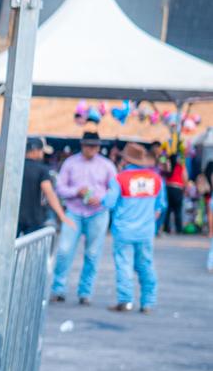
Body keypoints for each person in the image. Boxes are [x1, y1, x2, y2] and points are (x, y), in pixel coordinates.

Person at [51, 130, 117, 304]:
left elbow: (115, 190)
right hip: (74, 211)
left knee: (93, 254)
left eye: (95, 146)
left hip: (98, 213)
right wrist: (76, 191)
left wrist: (101, 199)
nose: (91, 149)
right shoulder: (70, 163)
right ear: (82, 145)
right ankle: (58, 289)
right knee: (64, 251)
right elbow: (60, 188)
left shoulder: (107, 165)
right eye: (88, 146)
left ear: (99, 147)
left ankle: (85, 292)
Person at [0, 137, 67, 236]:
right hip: (34, 219)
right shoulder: (42, 170)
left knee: (7, 245)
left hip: (11, 218)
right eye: (41, 151)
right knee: (31, 245)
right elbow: (49, 194)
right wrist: (62, 216)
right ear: (35, 151)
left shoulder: (13, 168)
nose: (43, 154)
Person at [108, 143, 165, 314]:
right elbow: (160, 206)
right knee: (146, 265)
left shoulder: (120, 179)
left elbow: (109, 202)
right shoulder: (156, 179)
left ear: (126, 160)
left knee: (124, 264)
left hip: (123, 230)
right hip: (146, 230)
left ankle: (126, 301)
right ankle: (148, 302)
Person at [162, 153, 186, 234]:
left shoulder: (168, 166)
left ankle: (166, 228)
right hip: (177, 188)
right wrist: (184, 188)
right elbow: (185, 177)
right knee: (178, 210)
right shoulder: (180, 166)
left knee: (168, 210)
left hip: (168, 188)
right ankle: (179, 229)